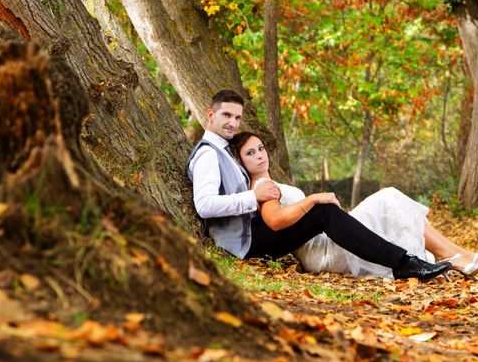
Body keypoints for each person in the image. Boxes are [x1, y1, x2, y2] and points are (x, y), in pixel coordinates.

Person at [186, 89, 452, 281]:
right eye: (226, 115)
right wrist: (253, 197)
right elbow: (204, 205)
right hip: (247, 242)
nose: (233, 123)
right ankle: (403, 263)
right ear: (210, 114)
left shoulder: (224, 149)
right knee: (322, 210)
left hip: (254, 233)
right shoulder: (208, 153)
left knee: (326, 212)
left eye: (237, 117)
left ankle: (404, 261)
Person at [229, 131, 478, 279]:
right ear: (241, 162)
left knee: (394, 201)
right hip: (323, 252)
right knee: (388, 197)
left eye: (261, 149)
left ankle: (461, 256)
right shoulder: (262, 188)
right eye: (250, 153)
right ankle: (457, 257)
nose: (259, 156)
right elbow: (275, 220)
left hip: (330, 238)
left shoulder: (269, 181)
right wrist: (313, 198)